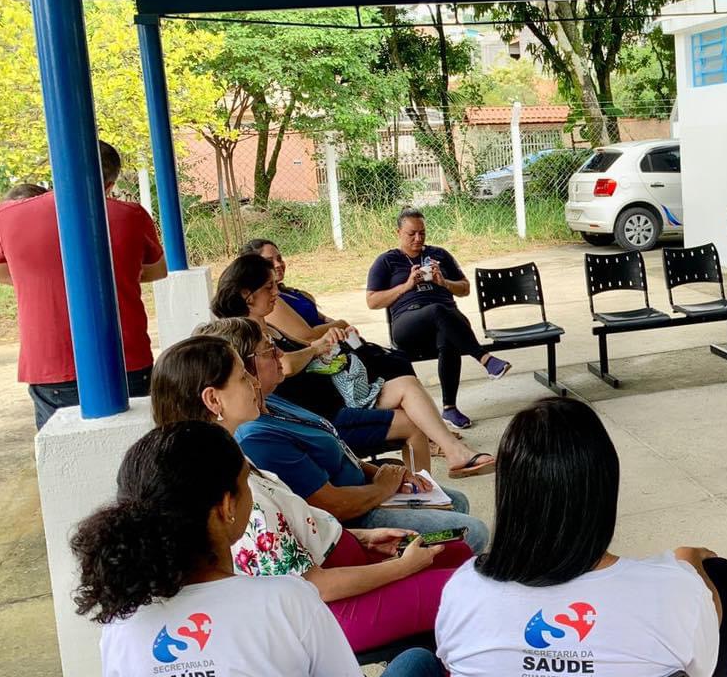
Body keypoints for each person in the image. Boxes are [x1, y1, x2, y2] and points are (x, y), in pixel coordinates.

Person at [72, 422, 466, 677]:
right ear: (227, 508)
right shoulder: (286, 599)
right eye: (247, 485)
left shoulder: (120, 626)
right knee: (420, 663)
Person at [435, 397, 727, 677]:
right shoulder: (670, 587)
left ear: (509, 491)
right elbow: (704, 672)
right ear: (604, 491)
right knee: (724, 579)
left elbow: (456, 670)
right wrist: (691, 566)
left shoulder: (464, 589)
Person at [150, 340, 476, 654]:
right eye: (242, 376)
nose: (254, 381)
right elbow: (311, 586)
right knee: (465, 592)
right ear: (213, 400)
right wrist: (402, 569)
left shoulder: (230, 454)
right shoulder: (232, 487)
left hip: (338, 564)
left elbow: (289, 535)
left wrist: (362, 538)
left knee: (456, 551)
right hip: (330, 609)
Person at [192, 318, 491, 546]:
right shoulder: (256, 436)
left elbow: (339, 453)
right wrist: (382, 488)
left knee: (457, 502)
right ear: (246, 367)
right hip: (357, 516)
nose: (281, 353)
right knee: (473, 532)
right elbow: (330, 506)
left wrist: (386, 474)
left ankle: (443, 573)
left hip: (366, 494)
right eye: (270, 349)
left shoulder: (272, 401)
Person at [213, 253, 493, 475]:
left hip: (337, 398)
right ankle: (428, 491)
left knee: (405, 382)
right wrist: (315, 348)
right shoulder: (248, 335)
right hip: (323, 415)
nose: (276, 291)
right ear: (247, 295)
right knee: (413, 425)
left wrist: (323, 351)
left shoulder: (268, 326)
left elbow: (302, 355)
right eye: (269, 287)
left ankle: (451, 456)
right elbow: (285, 366)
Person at [0, 142, 166, 428]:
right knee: (136, 456)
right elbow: (156, 270)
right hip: (126, 355)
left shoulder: (8, 215)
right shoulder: (132, 216)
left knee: (62, 462)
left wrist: (36, 279)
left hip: (49, 362)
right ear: (110, 183)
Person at [366, 207, 510, 432]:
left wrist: (443, 282)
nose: (418, 238)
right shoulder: (387, 261)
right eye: (411, 233)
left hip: (448, 321)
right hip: (408, 324)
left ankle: (449, 408)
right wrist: (406, 286)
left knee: (447, 334)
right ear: (398, 232)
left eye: (422, 233)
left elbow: (464, 289)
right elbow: (372, 301)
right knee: (438, 311)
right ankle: (484, 358)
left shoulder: (440, 255)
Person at [242, 237, 417, 383]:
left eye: (279, 258)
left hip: (337, 344)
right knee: (395, 367)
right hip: (324, 357)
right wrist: (340, 324)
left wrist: (340, 327)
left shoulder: (291, 292)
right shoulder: (272, 302)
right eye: (269, 261)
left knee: (398, 360)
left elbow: (324, 319)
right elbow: (307, 336)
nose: (278, 264)